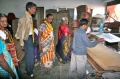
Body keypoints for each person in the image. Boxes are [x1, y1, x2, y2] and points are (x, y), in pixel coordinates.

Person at [15, 2, 37, 77]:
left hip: (30, 37)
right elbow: (21, 32)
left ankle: (28, 69)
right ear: (29, 9)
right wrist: (22, 44)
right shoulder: (24, 18)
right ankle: (29, 71)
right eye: (34, 8)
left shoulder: (29, 17)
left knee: (29, 55)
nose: (35, 10)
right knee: (30, 56)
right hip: (27, 39)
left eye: (35, 8)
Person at [0, 13, 22, 79]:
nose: (5, 23)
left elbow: (11, 43)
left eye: (6, 21)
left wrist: (15, 57)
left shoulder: (6, 31)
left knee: (17, 71)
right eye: (2, 21)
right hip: (4, 58)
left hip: (12, 56)